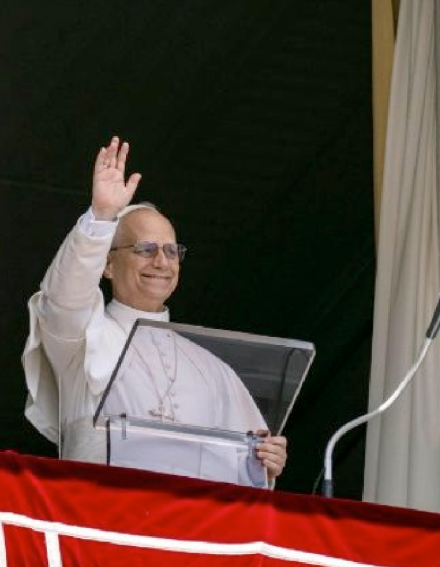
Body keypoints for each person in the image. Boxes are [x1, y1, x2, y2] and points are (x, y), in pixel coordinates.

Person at [22, 135, 288, 482]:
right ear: (108, 264)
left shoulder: (213, 369)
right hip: (101, 507)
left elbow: (244, 469)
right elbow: (64, 296)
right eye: (146, 249)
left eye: (171, 251)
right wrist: (101, 216)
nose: (162, 262)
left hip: (189, 515)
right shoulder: (82, 340)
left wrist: (266, 462)